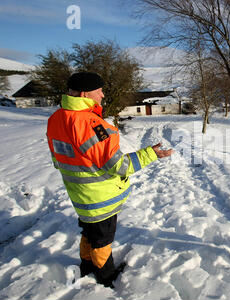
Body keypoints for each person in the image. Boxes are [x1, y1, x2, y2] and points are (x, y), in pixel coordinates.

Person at [46, 72, 173, 287]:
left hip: (80, 195)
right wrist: (151, 154)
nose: (103, 95)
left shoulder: (56, 119)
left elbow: (58, 159)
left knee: (89, 232)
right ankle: (106, 276)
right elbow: (119, 166)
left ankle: (86, 266)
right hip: (100, 198)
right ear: (86, 93)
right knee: (102, 240)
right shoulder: (90, 125)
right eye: (99, 90)